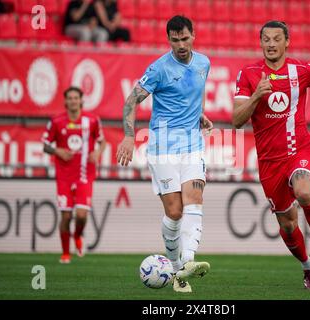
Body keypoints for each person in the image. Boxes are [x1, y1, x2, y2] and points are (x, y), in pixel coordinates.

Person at [232, 20, 310, 290]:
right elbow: (236, 120)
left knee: (304, 192)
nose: (271, 44)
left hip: (300, 149)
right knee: (287, 223)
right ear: (260, 43)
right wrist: (256, 96)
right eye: (266, 39)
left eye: (276, 39)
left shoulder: (304, 70)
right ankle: (308, 267)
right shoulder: (248, 74)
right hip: (269, 162)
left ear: (287, 42)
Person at [117, 15, 213, 293]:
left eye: (185, 38)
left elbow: (190, 95)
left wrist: (199, 115)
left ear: (193, 35)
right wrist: (128, 135)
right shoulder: (159, 68)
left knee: (195, 198)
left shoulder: (203, 63)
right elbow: (132, 100)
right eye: (175, 39)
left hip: (192, 146)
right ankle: (174, 269)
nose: (181, 44)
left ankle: (188, 261)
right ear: (168, 39)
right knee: (175, 212)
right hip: (162, 149)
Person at [42, 86, 106, 264]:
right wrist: (57, 151)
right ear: (65, 101)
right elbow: (45, 144)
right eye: (69, 98)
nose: (72, 101)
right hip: (64, 176)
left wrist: (98, 152)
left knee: (81, 215)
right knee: (65, 216)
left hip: (84, 174)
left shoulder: (92, 120)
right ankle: (65, 253)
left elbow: (102, 141)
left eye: (75, 98)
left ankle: (77, 236)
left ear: (81, 100)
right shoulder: (56, 121)